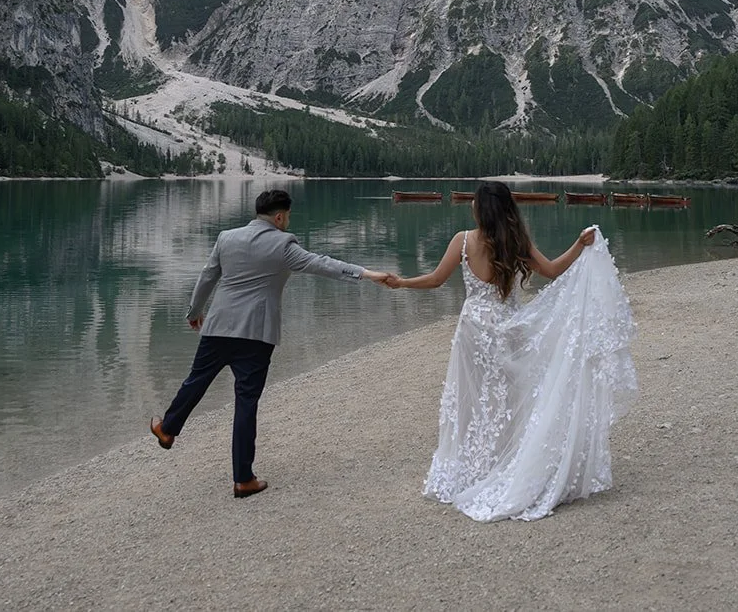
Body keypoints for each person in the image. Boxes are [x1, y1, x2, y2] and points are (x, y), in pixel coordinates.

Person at [381, 180, 637, 521]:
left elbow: (435, 279)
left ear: (479, 208)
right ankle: (510, 460)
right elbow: (553, 271)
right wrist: (578, 244)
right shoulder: (517, 241)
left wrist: (401, 282)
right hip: (509, 330)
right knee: (513, 398)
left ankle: (475, 469)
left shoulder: (463, 241)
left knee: (472, 402)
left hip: (473, 331)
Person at [150, 188, 392, 498]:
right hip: (256, 335)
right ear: (279, 217)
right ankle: (242, 479)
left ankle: (167, 429)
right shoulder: (283, 245)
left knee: (196, 381)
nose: (288, 222)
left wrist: (195, 311)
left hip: (218, 327)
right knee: (246, 403)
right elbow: (322, 264)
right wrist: (368, 274)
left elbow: (208, 276)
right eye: (287, 217)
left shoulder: (227, 238)